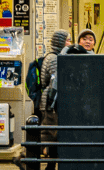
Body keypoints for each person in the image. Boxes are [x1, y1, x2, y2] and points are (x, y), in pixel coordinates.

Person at [38, 30, 68, 170]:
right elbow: (56, 82)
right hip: (52, 102)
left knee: (53, 136)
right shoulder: (55, 59)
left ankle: (50, 166)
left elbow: (44, 80)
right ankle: (27, 158)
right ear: (60, 42)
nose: (69, 43)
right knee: (53, 135)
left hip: (48, 100)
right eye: (67, 40)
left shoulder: (50, 56)